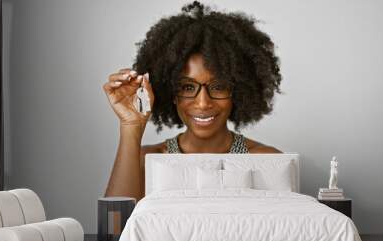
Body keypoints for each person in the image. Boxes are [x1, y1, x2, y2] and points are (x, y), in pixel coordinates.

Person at [103, 1, 283, 201]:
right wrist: (131, 126)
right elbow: (114, 229)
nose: (203, 103)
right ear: (171, 92)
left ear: (238, 91)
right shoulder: (148, 161)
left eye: (218, 86)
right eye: (187, 87)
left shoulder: (267, 160)